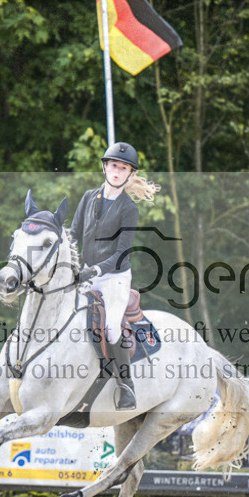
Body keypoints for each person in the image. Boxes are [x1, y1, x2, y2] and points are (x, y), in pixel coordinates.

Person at [69, 141, 159, 410]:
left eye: (123, 168)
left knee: (110, 328)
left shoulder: (129, 208)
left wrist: (95, 270)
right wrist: (68, 262)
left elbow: (122, 253)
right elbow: (73, 234)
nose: (117, 172)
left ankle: (126, 386)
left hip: (114, 278)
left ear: (130, 174)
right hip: (84, 273)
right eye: (114, 166)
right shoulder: (88, 197)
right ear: (105, 167)